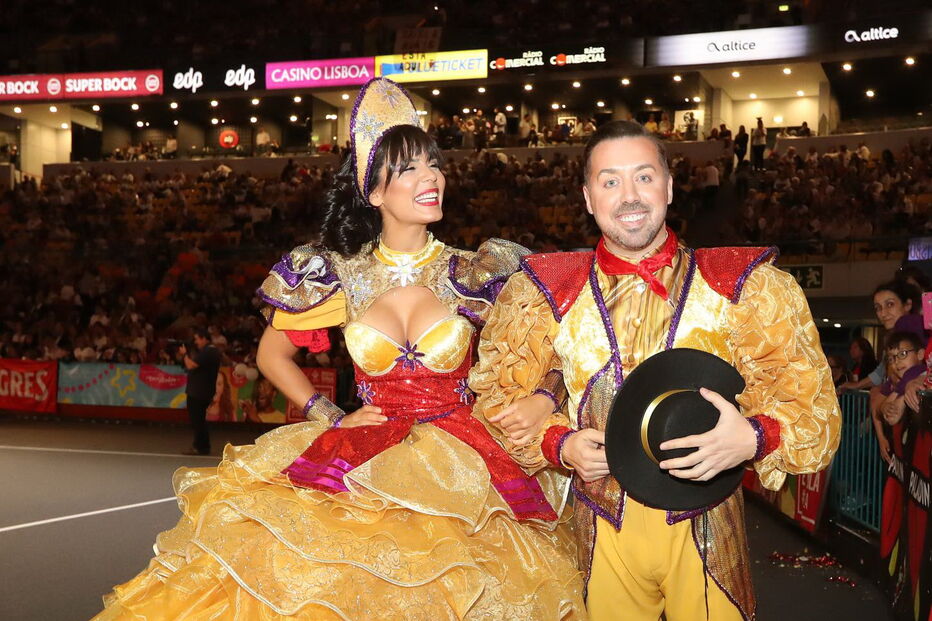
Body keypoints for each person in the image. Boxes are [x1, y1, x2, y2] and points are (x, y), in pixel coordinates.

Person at [94, 78, 585, 620]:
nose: (432, 177)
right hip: (360, 455)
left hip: (461, 464)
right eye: (411, 168)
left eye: (434, 163)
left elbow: (560, 344)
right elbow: (271, 355)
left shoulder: (481, 271)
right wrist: (326, 413)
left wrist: (542, 395)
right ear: (374, 192)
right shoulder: (333, 273)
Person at [470, 120, 840, 621]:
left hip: (708, 525)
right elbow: (496, 402)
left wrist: (752, 438)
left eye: (644, 177)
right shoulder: (544, 294)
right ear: (587, 197)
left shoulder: (742, 286)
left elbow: (808, 401)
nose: (629, 196)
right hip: (599, 527)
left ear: (668, 186)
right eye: (610, 181)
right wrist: (559, 445)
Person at [179, 327, 221, 455]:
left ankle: (200, 447)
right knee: (199, 420)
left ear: (204, 339)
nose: (196, 342)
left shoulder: (209, 351)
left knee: (197, 420)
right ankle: (203, 446)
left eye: (197, 339)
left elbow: (191, 365)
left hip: (199, 391)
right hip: (202, 390)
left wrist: (184, 354)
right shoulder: (210, 352)